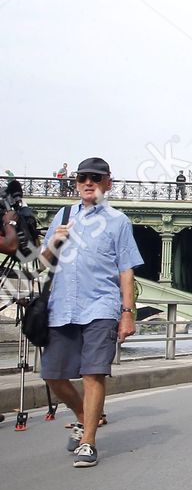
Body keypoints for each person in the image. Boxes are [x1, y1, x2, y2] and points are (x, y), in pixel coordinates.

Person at [40, 157, 144, 469]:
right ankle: (86, 418)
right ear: (76, 183)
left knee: (92, 372)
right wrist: (55, 242)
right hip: (62, 305)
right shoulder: (64, 214)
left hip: (100, 306)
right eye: (83, 177)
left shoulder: (118, 221)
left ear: (108, 183)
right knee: (52, 375)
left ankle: (88, 442)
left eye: (96, 178)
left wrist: (128, 313)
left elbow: (126, 271)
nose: (89, 183)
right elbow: (44, 261)